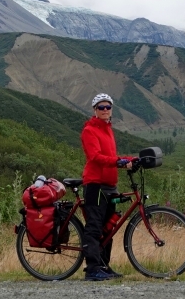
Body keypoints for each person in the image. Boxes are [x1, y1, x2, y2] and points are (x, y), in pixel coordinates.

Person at [80, 93, 133, 281]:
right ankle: (92, 269)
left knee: (108, 227)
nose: (105, 110)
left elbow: (112, 155)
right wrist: (119, 162)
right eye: (101, 107)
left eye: (108, 107)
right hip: (95, 184)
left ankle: (103, 265)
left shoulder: (108, 129)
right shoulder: (89, 130)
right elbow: (95, 157)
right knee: (94, 227)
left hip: (110, 184)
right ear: (94, 110)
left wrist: (133, 160)